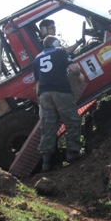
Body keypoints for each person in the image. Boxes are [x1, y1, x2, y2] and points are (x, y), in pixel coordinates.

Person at [34, 35, 83, 172]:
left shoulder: (37, 58)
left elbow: (37, 83)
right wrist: (79, 74)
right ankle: (72, 153)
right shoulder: (60, 51)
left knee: (48, 127)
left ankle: (46, 162)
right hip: (61, 91)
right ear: (55, 43)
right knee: (72, 121)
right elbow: (74, 69)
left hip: (44, 94)